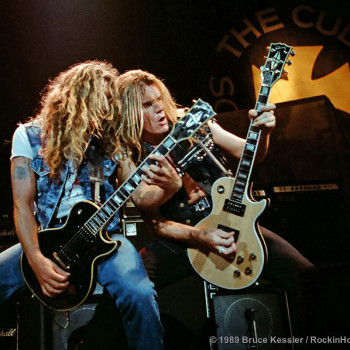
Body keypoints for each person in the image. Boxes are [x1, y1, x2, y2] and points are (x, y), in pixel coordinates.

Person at [0, 61, 181, 350]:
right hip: (47, 239)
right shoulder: (30, 136)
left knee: (139, 292)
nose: (111, 108)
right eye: (106, 100)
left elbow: (142, 196)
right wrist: (36, 260)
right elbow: (22, 206)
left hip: (106, 238)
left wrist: (170, 188)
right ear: (80, 96)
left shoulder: (111, 140)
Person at [117, 69, 314, 329]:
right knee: (125, 292)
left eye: (159, 100)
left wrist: (263, 133)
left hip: (233, 223)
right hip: (182, 237)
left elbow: (249, 154)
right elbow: (155, 222)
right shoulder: (125, 152)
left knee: (309, 279)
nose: (159, 110)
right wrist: (199, 235)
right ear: (129, 113)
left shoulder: (192, 121)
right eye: (147, 105)